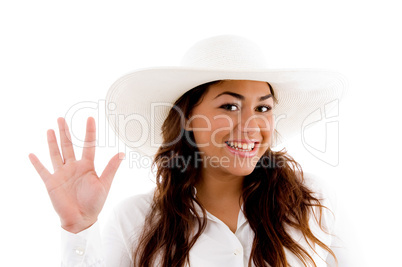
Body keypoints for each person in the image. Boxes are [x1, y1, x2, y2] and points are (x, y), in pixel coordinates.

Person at [28, 35, 347, 267]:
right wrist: (79, 228)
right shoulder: (136, 220)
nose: (251, 125)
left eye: (263, 107)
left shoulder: (314, 201)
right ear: (187, 117)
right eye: (230, 105)